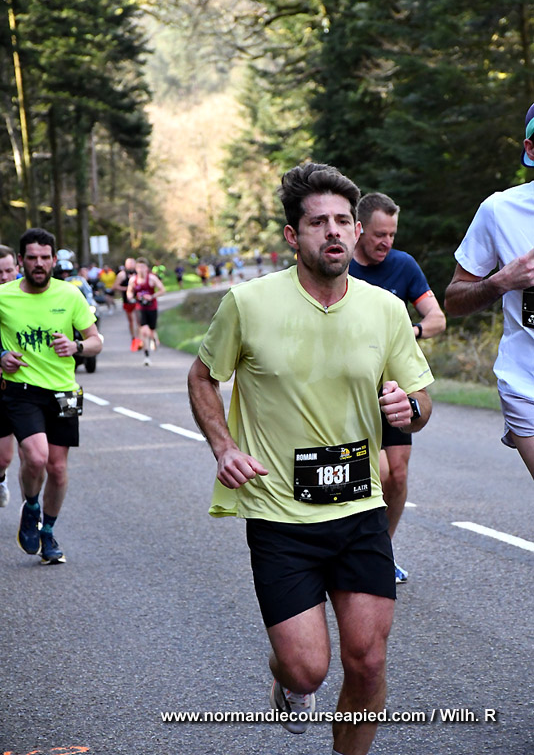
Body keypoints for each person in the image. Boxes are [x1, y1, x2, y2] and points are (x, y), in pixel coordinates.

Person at [188, 163, 433, 755]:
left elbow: (421, 399)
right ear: (293, 236)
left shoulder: (385, 309)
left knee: (368, 662)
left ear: (356, 230)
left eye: (343, 220)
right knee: (308, 671)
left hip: (360, 507)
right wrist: (224, 447)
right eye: (318, 222)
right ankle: (286, 676)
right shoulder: (248, 303)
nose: (333, 231)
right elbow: (202, 377)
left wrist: (409, 409)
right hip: (280, 514)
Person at [349, 192, 446, 583]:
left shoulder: (403, 265)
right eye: (379, 234)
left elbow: (437, 318)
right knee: (379, 472)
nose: (386, 242)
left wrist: (411, 331)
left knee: (398, 476)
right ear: (359, 230)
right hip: (354, 386)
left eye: (392, 234)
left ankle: (382, 552)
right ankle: (357, 549)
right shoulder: (341, 267)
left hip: (394, 385)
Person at [0, 228, 102, 564]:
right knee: (37, 456)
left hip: (65, 391)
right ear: (21, 261)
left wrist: (77, 346)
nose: (39, 264)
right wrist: (1, 356)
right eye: (32, 258)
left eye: (45, 258)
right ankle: (31, 507)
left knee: (57, 469)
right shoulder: (4, 296)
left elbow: (95, 340)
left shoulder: (70, 295)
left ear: (55, 260)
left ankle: (48, 531)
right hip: (22, 389)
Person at [444, 102, 534, 479]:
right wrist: (502, 281)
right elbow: (454, 300)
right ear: (531, 149)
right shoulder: (499, 211)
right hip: (526, 385)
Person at [0, 245, 19, 509]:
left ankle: (1, 477)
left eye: (8, 271)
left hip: (18, 384)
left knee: (6, 457)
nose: (4, 277)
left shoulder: (28, 294)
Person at [126, 257, 165, 366]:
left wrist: (152, 296)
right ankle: (147, 356)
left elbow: (162, 290)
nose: (141, 269)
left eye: (143, 267)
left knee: (152, 330)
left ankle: (154, 339)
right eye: (138, 267)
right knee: (144, 331)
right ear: (136, 268)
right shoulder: (133, 280)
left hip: (152, 307)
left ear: (147, 268)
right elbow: (129, 292)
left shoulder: (152, 278)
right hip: (140, 308)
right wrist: (131, 297)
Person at [113, 258, 143, 351]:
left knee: (139, 321)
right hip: (127, 301)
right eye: (129, 263)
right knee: (131, 321)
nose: (130, 265)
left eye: (132, 263)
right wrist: (127, 289)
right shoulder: (122, 274)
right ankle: (133, 338)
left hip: (138, 300)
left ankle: (139, 340)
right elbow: (115, 286)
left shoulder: (138, 273)